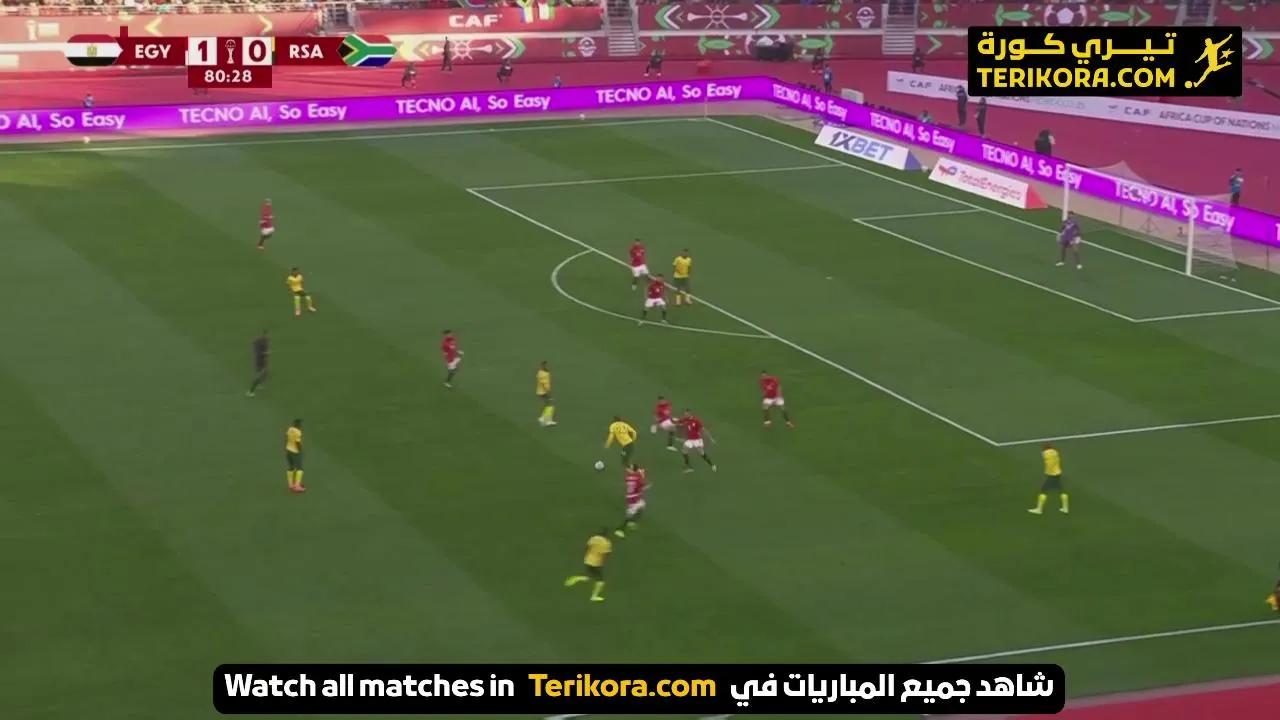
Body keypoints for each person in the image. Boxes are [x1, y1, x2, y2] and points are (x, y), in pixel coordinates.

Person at [564, 529, 612, 602]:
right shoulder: (606, 543)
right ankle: (594, 596)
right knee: (600, 581)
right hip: (597, 563)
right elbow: (605, 554)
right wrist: (603, 562)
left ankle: (576, 578)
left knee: (590, 577)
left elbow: (587, 547)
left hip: (588, 560)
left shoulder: (593, 538)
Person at [1029, 444, 1069, 515]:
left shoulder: (1046, 454)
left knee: (1044, 491)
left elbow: (1048, 462)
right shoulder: (1055, 452)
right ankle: (1065, 508)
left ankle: (1039, 509)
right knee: (1061, 490)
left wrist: (1047, 472)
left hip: (1051, 475)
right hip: (1058, 474)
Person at [615, 463, 648, 538]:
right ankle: (620, 530)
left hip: (630, 497)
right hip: (634, 499)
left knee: (642, 506)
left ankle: (631, 522)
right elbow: (642, 486)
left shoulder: (628, 477)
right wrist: (642, 475)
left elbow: (632, 480)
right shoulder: (638, 478)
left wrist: (639, 474)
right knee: (629, 515)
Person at [285, 419, 306, 493]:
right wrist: (300, 450)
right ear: (298, 425)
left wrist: (285, 447)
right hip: (295, 452)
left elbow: (286, 438)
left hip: (288, 450)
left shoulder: (290, 429)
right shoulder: (298, 432)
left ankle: (290, 484)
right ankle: (297, 486)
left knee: (291, 467)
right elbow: (297, 442)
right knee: (300, 468)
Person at [247, 330, 269, 397]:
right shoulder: (262, 343)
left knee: (264, 372)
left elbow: (253, 343)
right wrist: (266, 353)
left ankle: (259, 385)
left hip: (260, 361)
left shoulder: (260, 341)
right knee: (258, 376)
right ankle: (250, 391)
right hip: (259, 361)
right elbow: (261, 353)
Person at [535, 361, 556, 427]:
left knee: (547, 404)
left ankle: (542, 418)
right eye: (546, 365)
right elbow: (544, 383)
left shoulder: (540, 372)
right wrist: (548, 390)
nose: (548, 366)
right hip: (543, 392)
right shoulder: (544, 374)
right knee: (550, 404)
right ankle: (547, 421)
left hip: (540, 391)